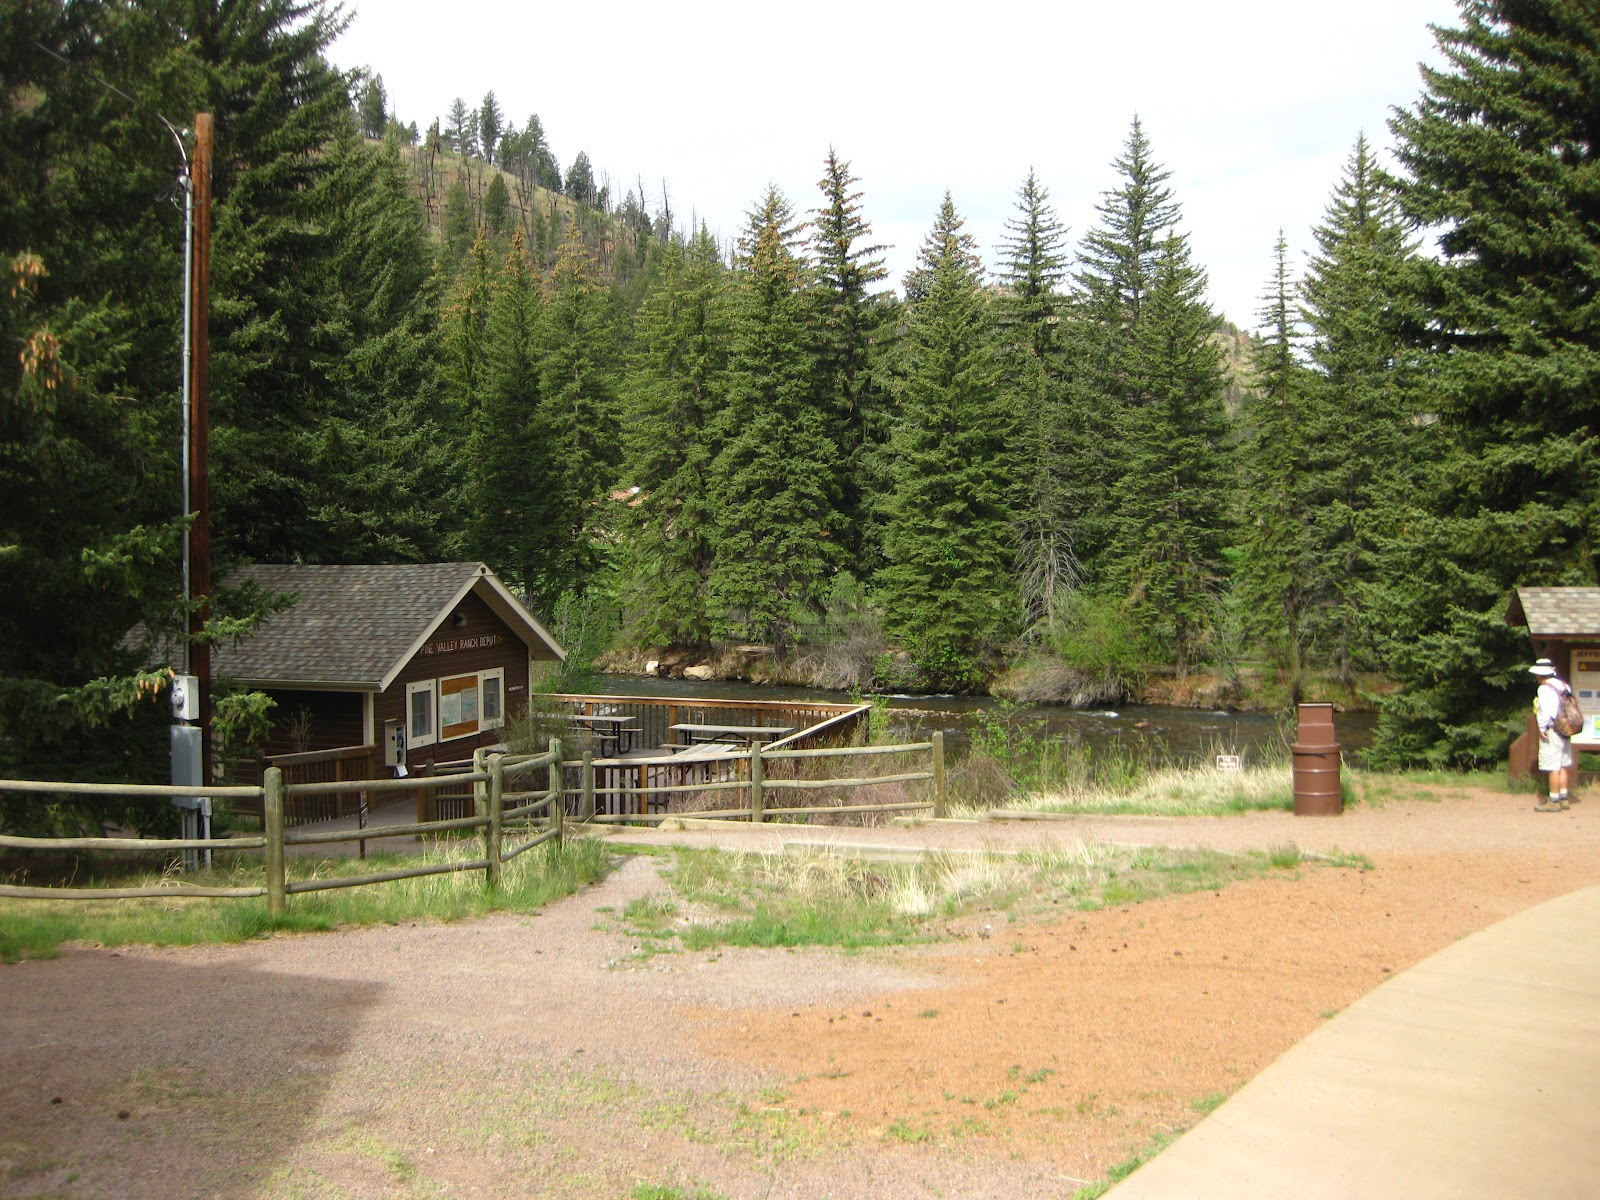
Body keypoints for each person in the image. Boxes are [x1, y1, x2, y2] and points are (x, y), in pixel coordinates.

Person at [1531, 658, 1576, 812]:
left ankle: (1553, 799)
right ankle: (1564, 797)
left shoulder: (1544, 689)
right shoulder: (1563, 685)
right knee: (1563, 763)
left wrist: (1542, 728)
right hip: (1566, 729)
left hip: (1553, 729)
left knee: (1552, 765)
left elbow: (1547, 711)